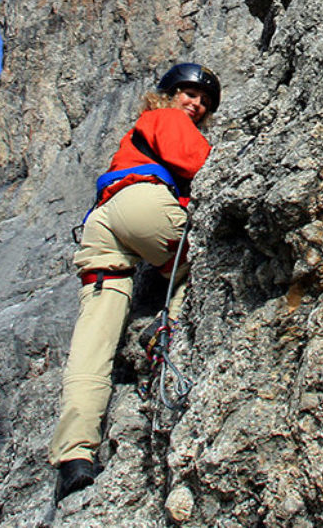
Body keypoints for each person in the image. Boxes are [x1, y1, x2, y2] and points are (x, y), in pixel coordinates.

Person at [50, 63, 220, 500]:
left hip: (102, 223)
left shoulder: (134, 135)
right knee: (206, 262)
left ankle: (74, 455)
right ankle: (173, 329)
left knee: (93, 340)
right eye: (188, 93)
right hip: (143, 203)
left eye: (202, 101)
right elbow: (199, 165)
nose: (195, 104)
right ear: (167, 94)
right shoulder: (165, 119)